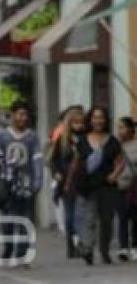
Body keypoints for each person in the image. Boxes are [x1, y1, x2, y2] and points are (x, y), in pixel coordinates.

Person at [0, 102, 43, 267]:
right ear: (12, 115)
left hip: (25, 184)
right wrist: (5, 166)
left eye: (25, 115)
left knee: (25, 218)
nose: (22, 118)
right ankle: (8, 246)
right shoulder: (2, 136)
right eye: (19, 114)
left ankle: (22, 253)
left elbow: (37, 159)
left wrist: (37, 180)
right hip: (7, 183)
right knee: (8, 218)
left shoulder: (32, 137)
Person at [70, 106, 124, 265]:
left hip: (106, 187)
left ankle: (104, 250)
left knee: (107, 220)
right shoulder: (83, 141)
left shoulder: (112, 141)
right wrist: (70, 182)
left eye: (101, 117)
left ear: (105, 120)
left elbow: (120, 163)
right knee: (88, 219)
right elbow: (76, 162)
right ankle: (87, 249)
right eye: (95, 117)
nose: (98, 121)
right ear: (90, 120)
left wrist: (114, 176)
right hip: (88, 186)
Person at [48, 106, 85, 258]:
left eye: (81, 122)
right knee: (70, 215)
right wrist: (57, 174)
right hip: (67, 181)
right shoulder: (63, 139)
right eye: (75, 122)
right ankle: (72, 245)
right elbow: (53, 160)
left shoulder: (86, 138)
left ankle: (80, 243)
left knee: (81, 214)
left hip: (83, 181)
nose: (79, 125)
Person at [114, 117, 137, 261]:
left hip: (134, 186)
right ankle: (123, 247)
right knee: (122, 217)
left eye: (122, 127)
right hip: (119, 185)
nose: (120, 130)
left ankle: (135, 246)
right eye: (118, 127)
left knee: (135, 218)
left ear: (130, 129)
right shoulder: (115, 146)